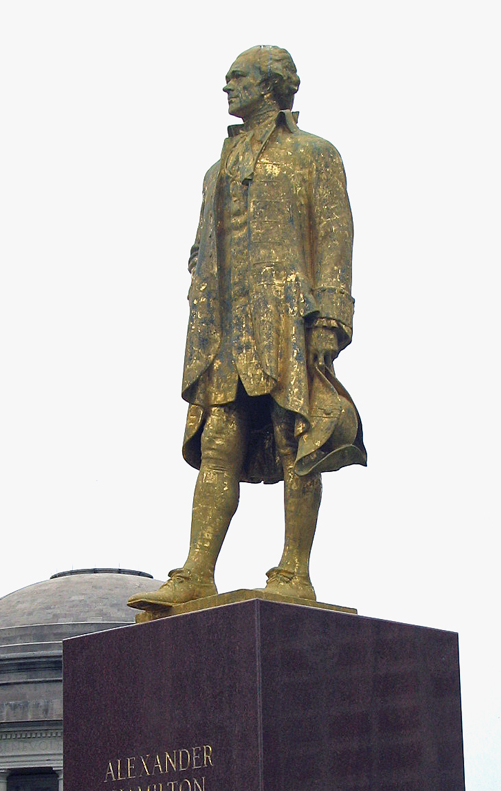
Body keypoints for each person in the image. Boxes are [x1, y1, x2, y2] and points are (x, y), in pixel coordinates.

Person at [130, 45, 365, 612]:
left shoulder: (314, 154)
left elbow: (336, 237)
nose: (228, 88)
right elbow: (200, 246)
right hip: (225, 323)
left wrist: (331, 318)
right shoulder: (217, 169)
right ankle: (197, 571)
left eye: (238, 78)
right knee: (219, 440)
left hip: (289, 314)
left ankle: (294, 572)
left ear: (271, 85)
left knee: (295, 436)